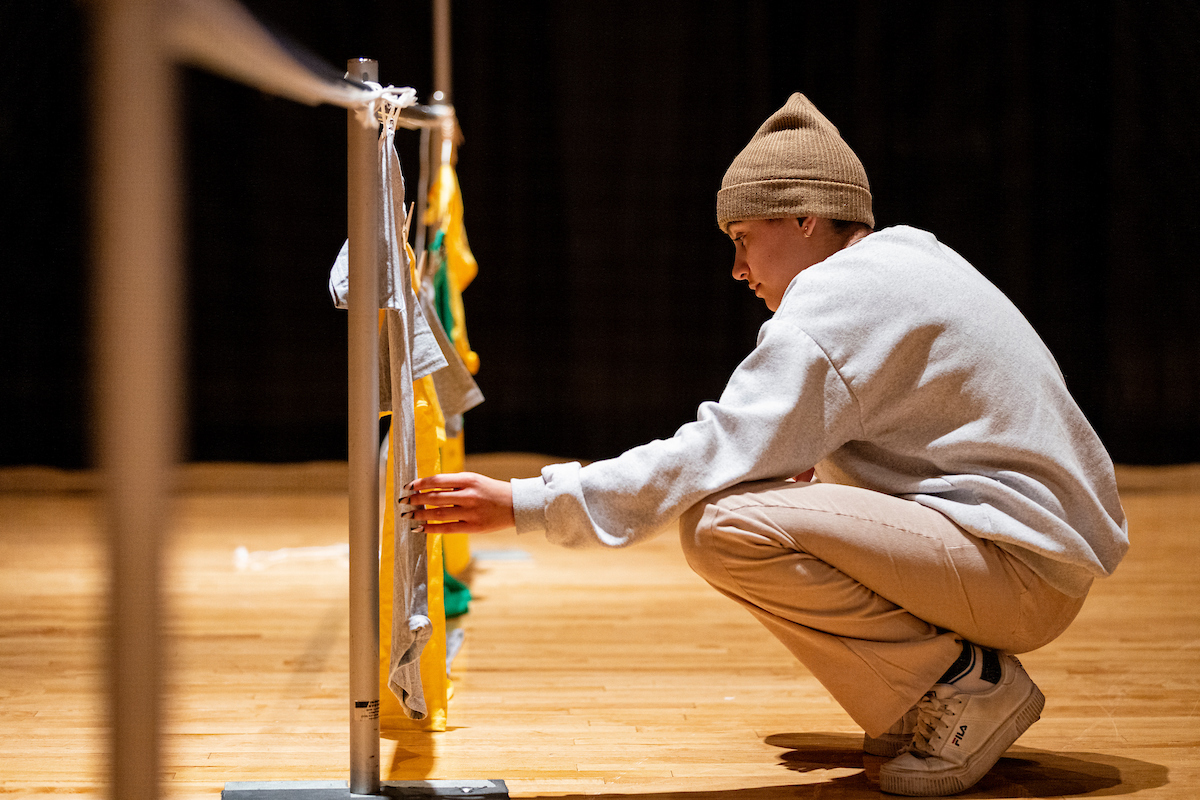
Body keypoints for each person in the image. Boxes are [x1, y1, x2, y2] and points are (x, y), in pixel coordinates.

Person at [403, 93, 1129, 796]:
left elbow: (710, 452)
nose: (739, 270)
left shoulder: (840, 301)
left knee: (726, 526)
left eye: (745, 240)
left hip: (1015, 575)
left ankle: (964, 689)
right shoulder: (905, 260)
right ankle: (935, 693)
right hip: (1029, 563)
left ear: (805, 217)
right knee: (764, 500)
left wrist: (530, 502)